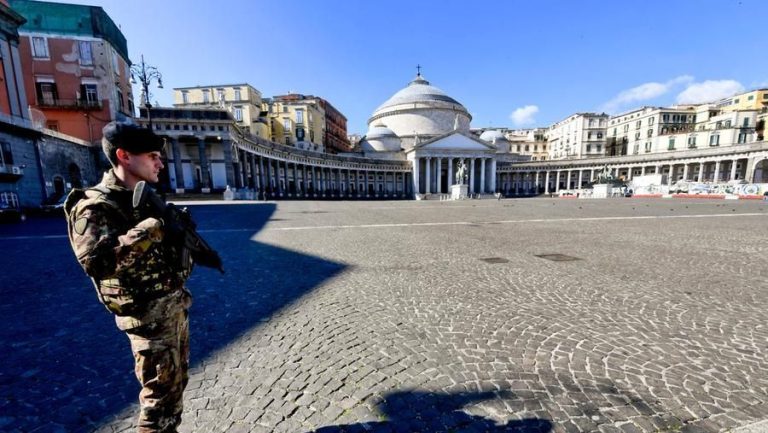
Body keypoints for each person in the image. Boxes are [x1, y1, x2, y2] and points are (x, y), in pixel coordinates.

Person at [64, 121, 193, 433]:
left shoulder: (142, 198)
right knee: (157, 401)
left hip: (171, 310)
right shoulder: (95, 205)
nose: (160, 162)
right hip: (146, 320)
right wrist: (151, 228)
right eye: (152, 155)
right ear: (123, 156)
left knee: (173, 393)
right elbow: (97, 262)